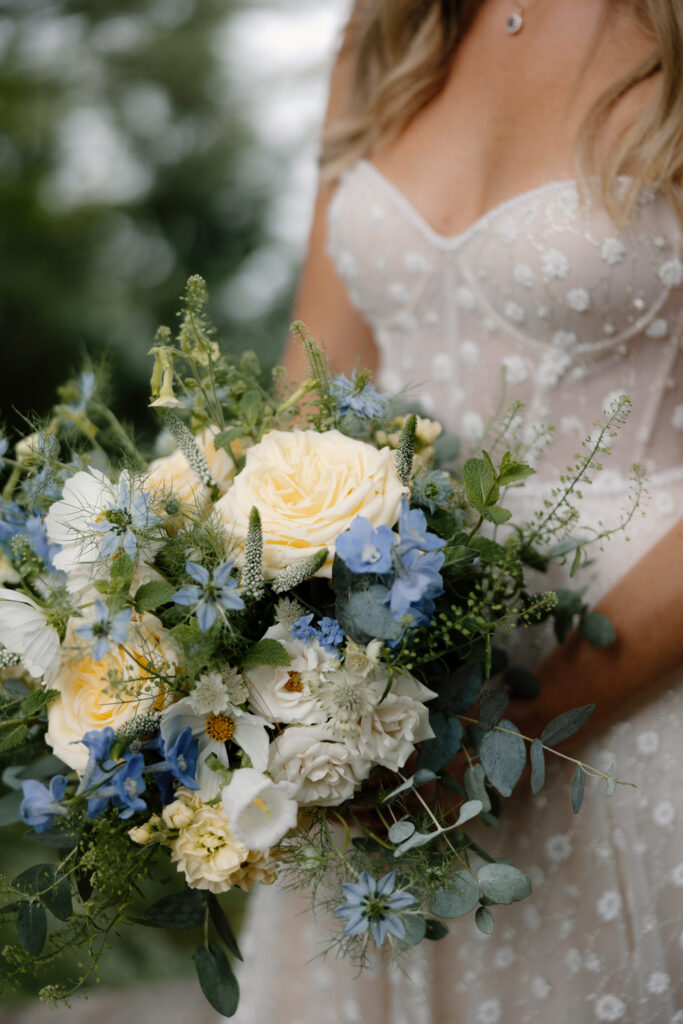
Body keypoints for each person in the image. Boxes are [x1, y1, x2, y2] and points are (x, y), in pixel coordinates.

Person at [232, 1, 683, 1020]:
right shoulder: (387, 29)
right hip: (382, 721)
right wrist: (261, 663)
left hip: (634, 706)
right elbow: (312, 386)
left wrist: (516, 724)